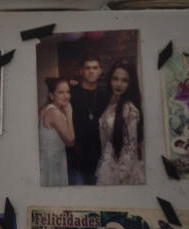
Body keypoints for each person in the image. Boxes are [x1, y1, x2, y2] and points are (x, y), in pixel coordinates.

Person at [96, 60, 145, 185]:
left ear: (130, 83)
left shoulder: (130, 109)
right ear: (110, 80)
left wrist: (122, 175)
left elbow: (131, 148)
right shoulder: (110, 103)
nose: (119, 84)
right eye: (115, 79)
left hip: (123, 169)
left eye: (125, 80)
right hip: (108, 161)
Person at [67, 53, 108, 185]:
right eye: (87, 68)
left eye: (95, 68)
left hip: (98, 159)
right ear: (81, 71)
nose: (91, 71)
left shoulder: (105, 95)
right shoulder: (71, 92)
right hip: (75, 159)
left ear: (100, 71)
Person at [38, 76, 75, 185]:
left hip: (47, 160)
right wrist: (69, 115)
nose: (66, 96)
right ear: (51, 95)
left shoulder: (45, 108)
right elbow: (70, 142)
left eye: (68, 92)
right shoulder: (54, 113)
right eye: (61, 92)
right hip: (53, 163)